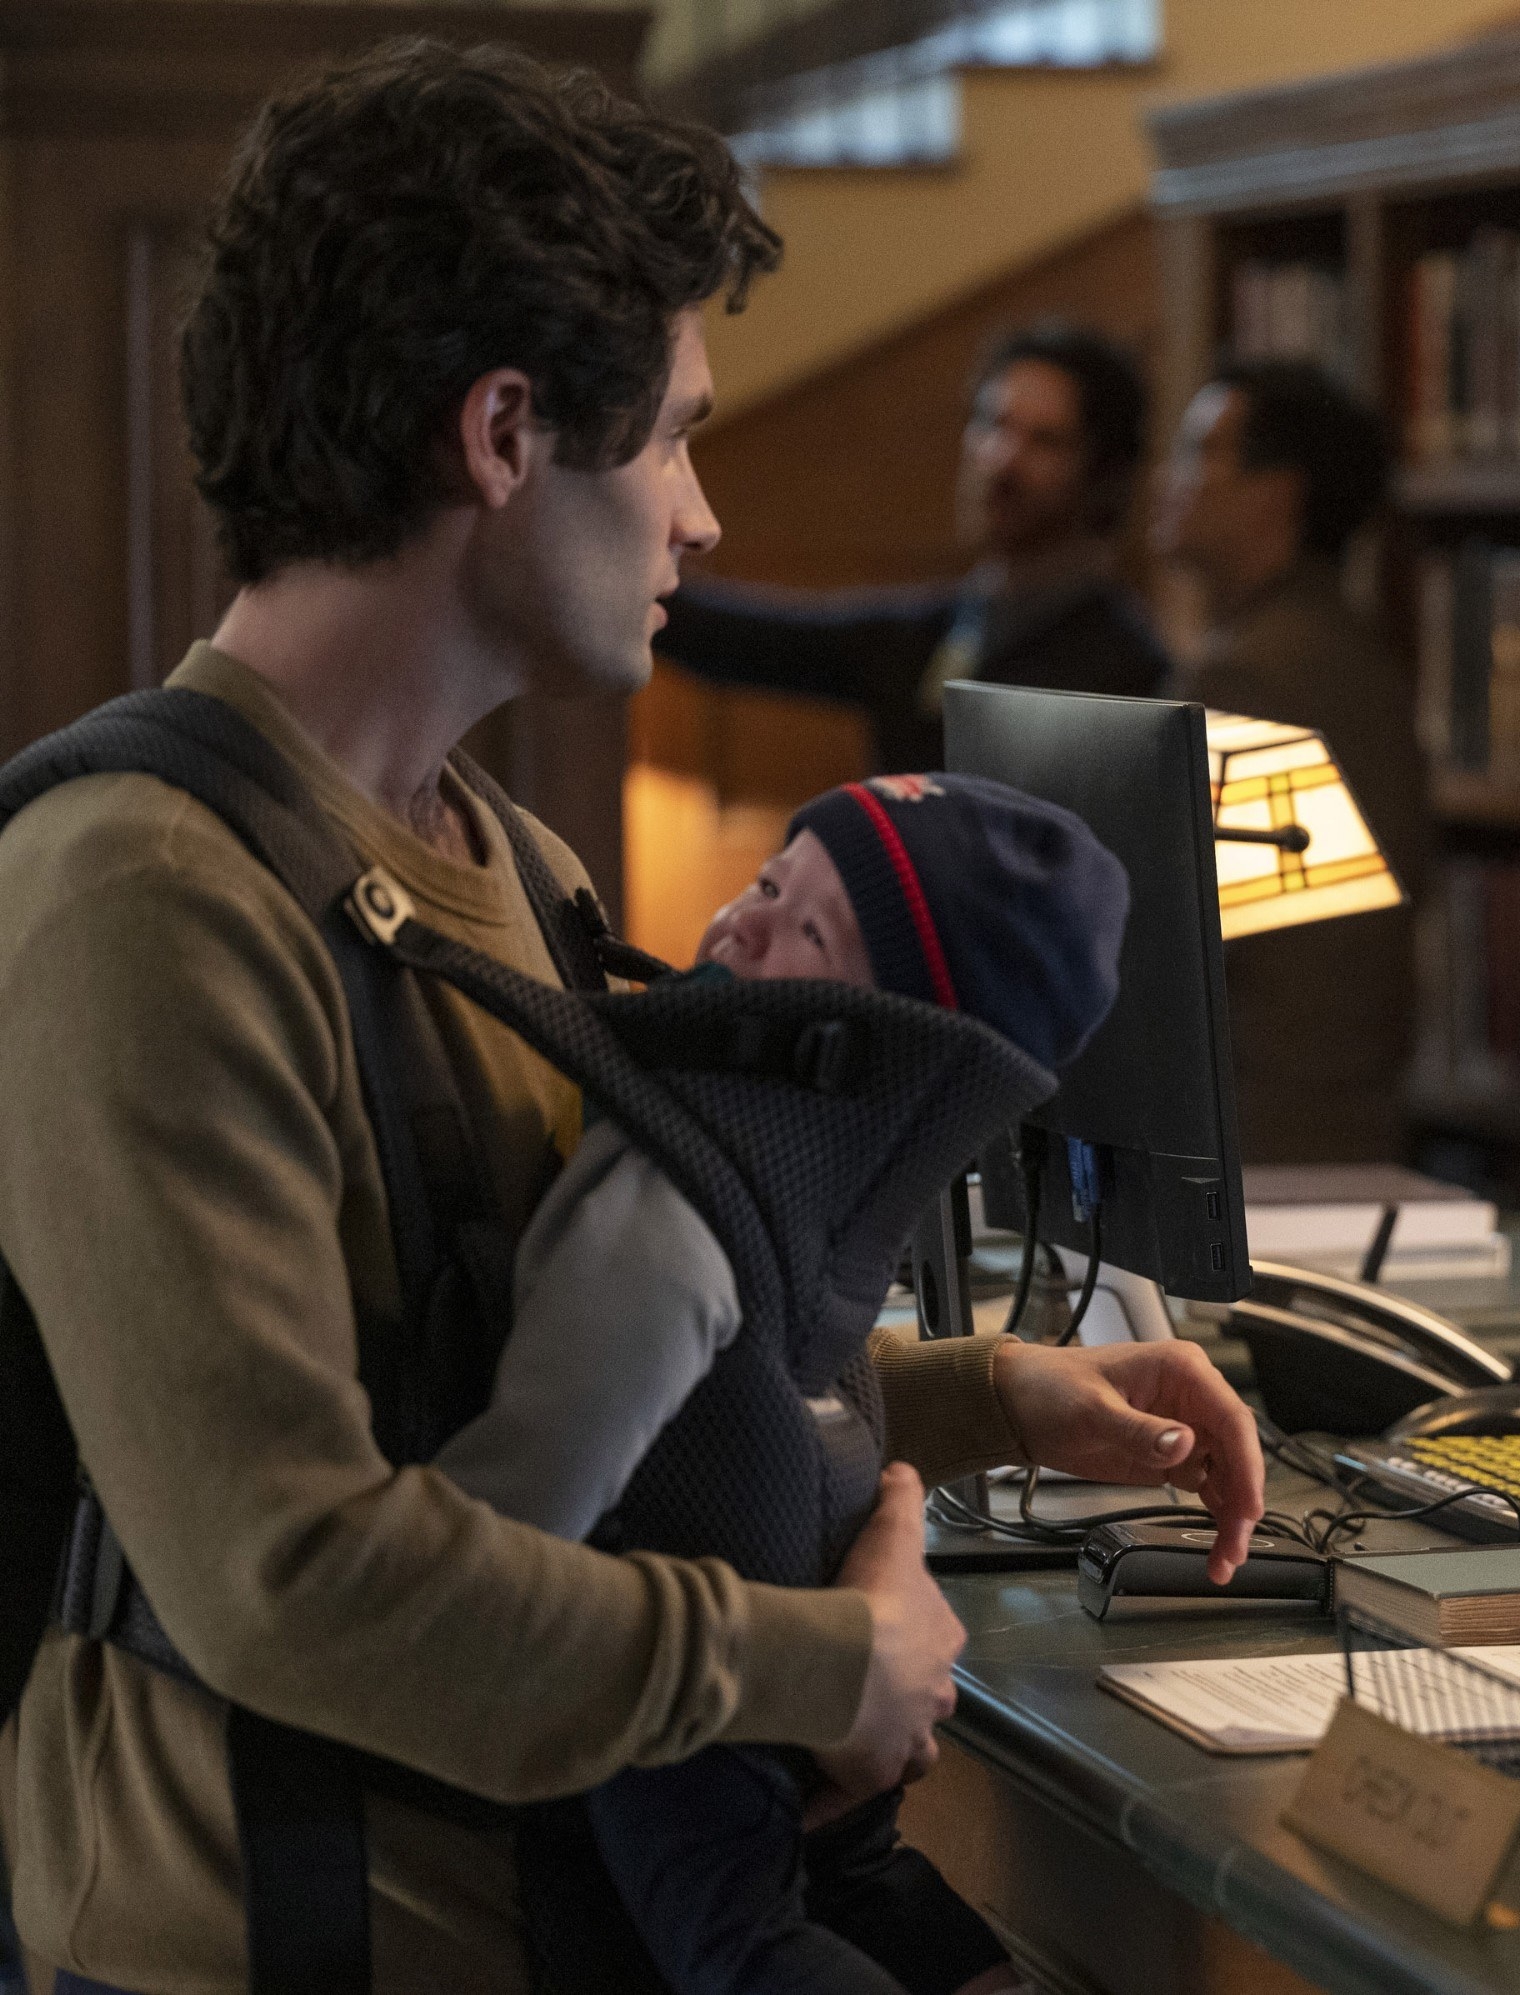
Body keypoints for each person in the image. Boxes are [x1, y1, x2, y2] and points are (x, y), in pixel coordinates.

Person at [0, 43, 1259, 1992]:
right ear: (502, 433)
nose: (704, 514)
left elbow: (533, 1369)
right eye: (671, 436)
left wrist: (978, 1396)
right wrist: (823, 1660)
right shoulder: (145, 896)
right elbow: (292, 1584)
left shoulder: (512, 862)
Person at [435, 772, 1135, 1995]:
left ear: (910, 1053)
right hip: (678, 1747)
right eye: (767, 883)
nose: (733, 929)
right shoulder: (668, 1219)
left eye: (806, 933)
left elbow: (746, 1389)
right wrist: (818, 1663)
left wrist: (1001, 1396)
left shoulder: (786, 1201)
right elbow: (489, 1544)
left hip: (806, 1775)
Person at [658, 322, 1175, 769]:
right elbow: (744, 643)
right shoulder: (941, 628)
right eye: (994, 425)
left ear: (1104, 472)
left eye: (1045, 441)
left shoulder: (1126, 669)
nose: (1003, 460)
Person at [1150, 360, 1431, 1163]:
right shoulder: (1345, 650)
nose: (1173, 479)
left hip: (1258, 1143)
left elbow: (1181, 936)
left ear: (1277, 493)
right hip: (1342, 1128)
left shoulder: (1255, 673)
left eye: (1203, 453)